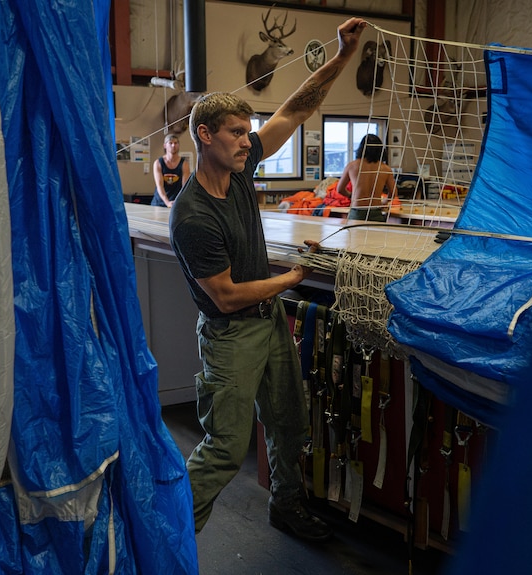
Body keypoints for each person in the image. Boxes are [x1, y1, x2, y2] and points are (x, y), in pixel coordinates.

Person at [169, 17, 367, 542]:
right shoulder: (192, 214)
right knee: (224, 449)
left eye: (247, 131)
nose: (247, 140)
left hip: (270, 322)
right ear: (205, 136)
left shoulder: (239, 168)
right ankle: (168, 541)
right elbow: (227, 295)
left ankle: (287, 506)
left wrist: (342, 57)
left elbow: (294, 110)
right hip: (232, 335)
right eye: (237, 132)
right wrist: (294, 277)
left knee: (287, 424)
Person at [337, 134, 397, 222]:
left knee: (355, 235)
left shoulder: (352, 166)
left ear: (361, 148)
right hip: (375, 211)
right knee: (376, 235)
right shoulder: (385, 169)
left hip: (357, 211)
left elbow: (340, 189)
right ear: (380, 149)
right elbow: (393, 192)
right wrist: (384, 202)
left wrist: (351, 195)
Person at [151, 133, 191, 207]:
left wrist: (180, 202)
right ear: (165, 146)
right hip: (160, 202)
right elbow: (160, 186)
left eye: (176, 143)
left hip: (176, 202)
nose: (173, 145)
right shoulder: (158, 163)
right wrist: (167, 202)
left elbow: (185, 187)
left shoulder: (184, 164)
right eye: (170, 143)